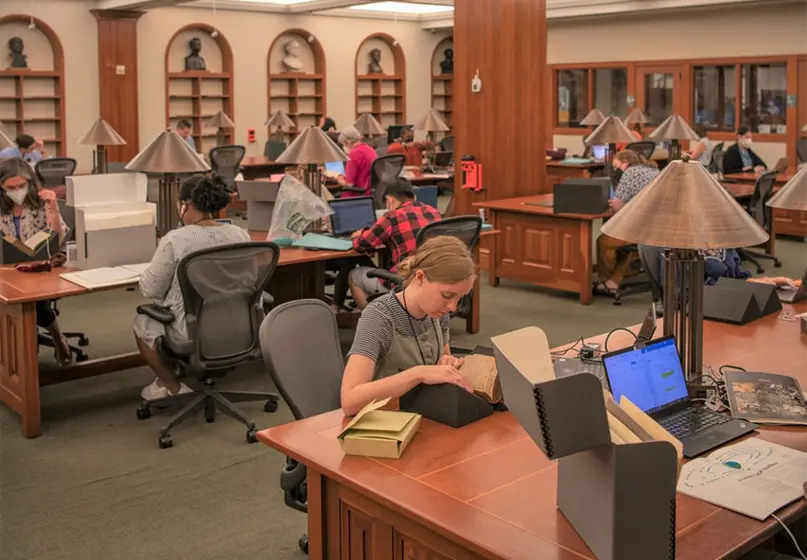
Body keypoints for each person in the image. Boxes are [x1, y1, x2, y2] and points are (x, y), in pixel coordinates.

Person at [134, 175, 251, 400]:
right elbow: (249, 278)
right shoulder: (239, 234)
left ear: (184, 205)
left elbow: (151, 290)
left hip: (194, 329)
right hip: (240, 325)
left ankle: (172, 386)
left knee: (143, 323)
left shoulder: (176, 240)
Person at [340, 235, 475, 416]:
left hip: (425, 416)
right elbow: (349, 401)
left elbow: (442, 364)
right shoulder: (379, 317)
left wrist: (447, 364)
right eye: (447, 295)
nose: (453, 307)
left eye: (460, 297)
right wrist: (417, 374)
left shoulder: (437, 313)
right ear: (420, 278)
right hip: (385, 423)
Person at [0, 158, 71, 365]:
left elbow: (57, 240)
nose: (17, 191)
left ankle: (58, 339)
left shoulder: (40, 203)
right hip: (5, 271)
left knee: (35, 304)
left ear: (30, 183)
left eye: (22, 186)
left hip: (36, 268)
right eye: (10, 187)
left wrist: (53, 209)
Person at [345, 178, 441, 310]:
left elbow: (363, 244)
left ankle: (377, 322)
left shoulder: (392, 216)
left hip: (407, 282)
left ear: (389, 200)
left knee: (355, 275)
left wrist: (359, 235)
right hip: (435, 278)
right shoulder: (432, 211)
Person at [595, 150, 659, 295]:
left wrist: (613, 202)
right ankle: (614, 281)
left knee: (603, 242)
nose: (617, 171)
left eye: (617, 167)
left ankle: (604, 281)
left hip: (640, 228)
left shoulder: (630, 173)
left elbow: (617, 207)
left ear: (625, 162)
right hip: (656, 228)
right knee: (625, 244)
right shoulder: (654, 170)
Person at [336, 126, 377, 198]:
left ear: (347, 142)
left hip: (356, 196)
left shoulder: (353, 154)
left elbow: (349, 184)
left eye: (344, 144)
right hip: (370, 193)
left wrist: (339, 180)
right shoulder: (370, 149)